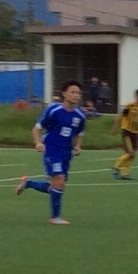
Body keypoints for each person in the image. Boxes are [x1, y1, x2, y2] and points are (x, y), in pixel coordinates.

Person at [16, 81, 88, 224]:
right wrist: (38, 143)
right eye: (72, 92)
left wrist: (78, 146)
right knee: (59, 181)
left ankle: (28, 183)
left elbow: (80, 132)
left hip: (66, 152)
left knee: (56, 186)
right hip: (52, 149)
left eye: (78, 93)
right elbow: (36, 128)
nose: (76, 95)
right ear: (64, 94)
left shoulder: (80, 116)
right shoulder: (53, 110)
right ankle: (55, 217)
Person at [113, 87, 138, 180]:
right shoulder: (129, 106)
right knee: (130, 152)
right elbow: (120, 116)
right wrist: (115, 126)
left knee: (133, 154)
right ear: (136, 97)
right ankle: (116, 166)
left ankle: (125, 173)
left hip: (135, 132)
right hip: (127, 131)